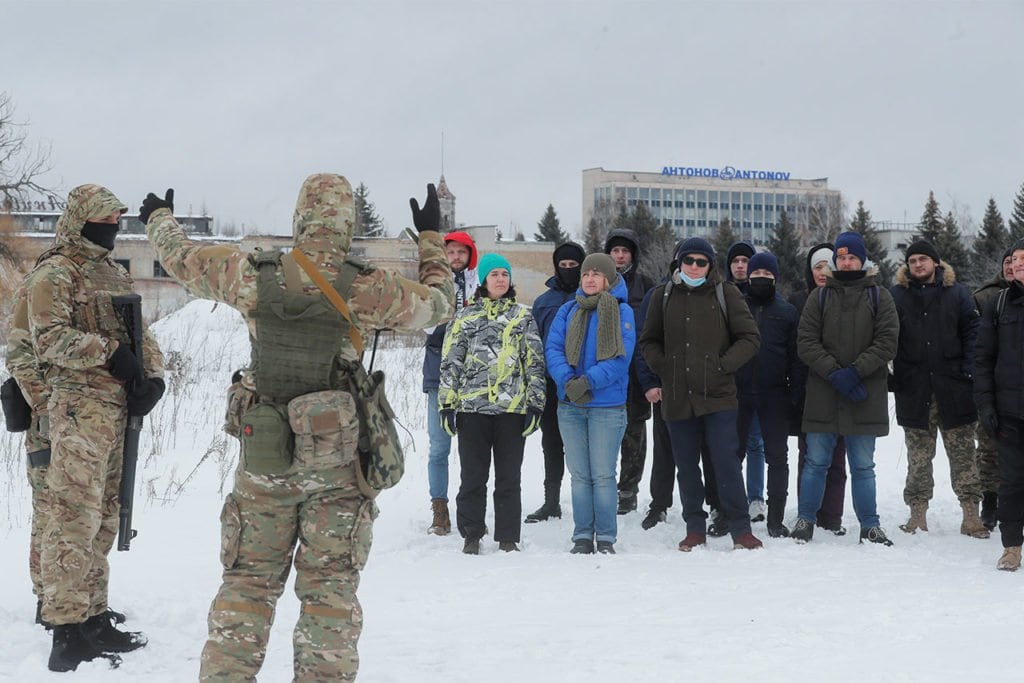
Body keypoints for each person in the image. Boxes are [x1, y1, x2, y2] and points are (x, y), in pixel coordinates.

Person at [144, 176, 455, 681]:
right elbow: (439, 304)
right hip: (337, 466)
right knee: (330, 590)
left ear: (299, 219)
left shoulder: (249, 273)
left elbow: (181, 261)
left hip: (264, 458)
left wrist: (160, 218)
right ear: (348, 224)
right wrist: (430, 240)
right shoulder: (369, 287)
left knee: (247, 583)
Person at [26, 184, 165, 671]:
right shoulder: (55, 272)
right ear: (80, 219)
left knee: (106, 514)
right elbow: (48, 339)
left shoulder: (111, 271)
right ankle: (66, 630)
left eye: (115, 221)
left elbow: (142, 333)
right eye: (103, 221)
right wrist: (108, 352)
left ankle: (94, 614)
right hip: (78, 409)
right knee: (73, 519)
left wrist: (154, 377)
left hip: (117, 410)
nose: (112, 229)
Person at [640, 237, 763, 552]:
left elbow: (750, 338)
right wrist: (664, 367)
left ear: (710, 266)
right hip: (678, 396)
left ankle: (741, 529)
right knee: (686, 466)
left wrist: (723, 366)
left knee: (726, 462)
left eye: (701, 262)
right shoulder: (662, 295)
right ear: (679, 262)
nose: (694, 267)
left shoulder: (726, 293)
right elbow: (648, 341)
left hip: (718, 396)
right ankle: (694, 527)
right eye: (689, 260)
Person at [793, 231, 898, 546]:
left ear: (862, 260)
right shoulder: (819, 297)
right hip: (824, 394)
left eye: (852, 257)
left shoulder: (880, 296)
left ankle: (870, 525)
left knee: (863, 466)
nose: (847, 262)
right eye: (842, 257)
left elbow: (887, 341)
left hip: (865, 395)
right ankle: (805, 519)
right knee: (815, 463)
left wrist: (854, 372)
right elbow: (806, 342)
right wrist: (834, 372)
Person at [439, 253, 546, 554]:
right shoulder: (465, 317)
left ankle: (508, 536)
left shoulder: (523, 317)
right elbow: (451, 362)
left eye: (504, 274)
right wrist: (447, 404)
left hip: (511, 410)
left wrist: (535, 404)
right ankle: (472, 534)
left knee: (509, 477)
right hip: (472, 409)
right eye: (494, 274)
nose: (500, 279)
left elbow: (534, 363)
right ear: (483, 280)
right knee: (473, 477)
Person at [890, 240, 988, 538]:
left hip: (954, 389)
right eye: (912, 260)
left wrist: (969, 370)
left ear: (935, 262)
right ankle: (917, 514)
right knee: (918, 458)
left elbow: (974, 332)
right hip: (914, 389)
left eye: (923, 259)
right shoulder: (897, 296)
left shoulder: (957, 294)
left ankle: (971, 516)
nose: (917, 264)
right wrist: (893, 373)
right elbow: (886, 336)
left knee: (964, 456)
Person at [546, 253, 635, 554]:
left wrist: (588, 382)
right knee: (580, 476)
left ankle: (606, 537)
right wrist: (568, 380)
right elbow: (553, 349)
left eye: (597, 274)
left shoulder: (621, 311)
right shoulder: (569, 309)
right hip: (570, 404)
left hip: (606, 407)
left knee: (603, 474)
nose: (589, 279)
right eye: (586, 274)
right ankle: (583, 535)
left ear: (609, 279)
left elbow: (620, 359)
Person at [735, 251, 803, 538]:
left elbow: (796, 358)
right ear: (748, 276)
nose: (761, 279)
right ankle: (730, 515)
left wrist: (795, 394)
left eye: (766, 275)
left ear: (775, 278)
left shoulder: (787, 312)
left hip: (774, 394)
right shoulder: (736, 307)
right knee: (732, 456)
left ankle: (775, 519)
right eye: (756, 274)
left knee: (777, 458)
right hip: (737, 393)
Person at [788, 244, 849, 535]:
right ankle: (807, 514)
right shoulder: (797, 301)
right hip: (806, 390)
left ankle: (832, 516)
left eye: (828, 266)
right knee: (810, 457)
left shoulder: (847, 298)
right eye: (817, 267)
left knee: (837, 458)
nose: (822, 272)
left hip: (841, 387)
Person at [524, 242, 585, 523]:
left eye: (574, 266)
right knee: (551, 443)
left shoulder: (591, 296)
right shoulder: (543, 302)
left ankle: (587, 500)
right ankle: (551, 501)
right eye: (564, 265)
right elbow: (534, 343)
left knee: (582, 445)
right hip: (550, 383)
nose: (568, 270)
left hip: (582, 383)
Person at [422, 230, 478, 535]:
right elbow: (427, 327)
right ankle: (439, 508)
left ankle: (470, 507)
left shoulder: (478, 284)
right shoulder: (433, 285)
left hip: (473, 376)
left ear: (470, 255)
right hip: (438, 373)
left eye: (461, 252)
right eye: (451, 252)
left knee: (472, 448)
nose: (456, 257)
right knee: (438, 446)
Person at [975, 239, 1024, 570]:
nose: (1018, 263)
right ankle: (1011, 547)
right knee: (1011, 482)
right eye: (1015, 258)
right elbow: (982, 359)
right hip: (1009, 412)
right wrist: (986, 405)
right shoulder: (999, 304)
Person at [603, 229, 655, 514]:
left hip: (636, 374)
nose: (620, 256)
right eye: (615, 251)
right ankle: (603, 487)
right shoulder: (599, 282)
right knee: (604, 434)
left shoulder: (645, 285)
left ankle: (628, 490)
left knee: (634, 436)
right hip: (605, 374)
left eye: (625, 251)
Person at [972, 247, 1013, 530]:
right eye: (1007, 261)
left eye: (1017, 261)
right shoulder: (986, 297)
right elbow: (978, 347)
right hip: (994, 385)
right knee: (988, 447)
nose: (1011, 266)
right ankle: (990, 501)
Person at [726, 240, 767, 521]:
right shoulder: (721, 294)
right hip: (728, 382)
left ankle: (755, 497)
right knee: (728, 445)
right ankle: (729, 497)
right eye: (736, 261)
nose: (740, 266)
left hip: (757, 382)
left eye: (745, 261)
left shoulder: (761, 297)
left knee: (755, 443)